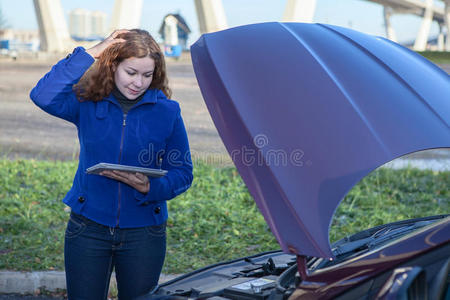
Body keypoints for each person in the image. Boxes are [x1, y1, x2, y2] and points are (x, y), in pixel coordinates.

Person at [30, 29, 193, 299]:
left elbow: (183, 173)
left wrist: (150, 187)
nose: (139, 82)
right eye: (131, 72)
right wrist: (91, 53)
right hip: (88, 228)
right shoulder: (87, 101)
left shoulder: (168, 111)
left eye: (147, 75)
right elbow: (42, 95)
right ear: (113, 65)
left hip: (144, 233)